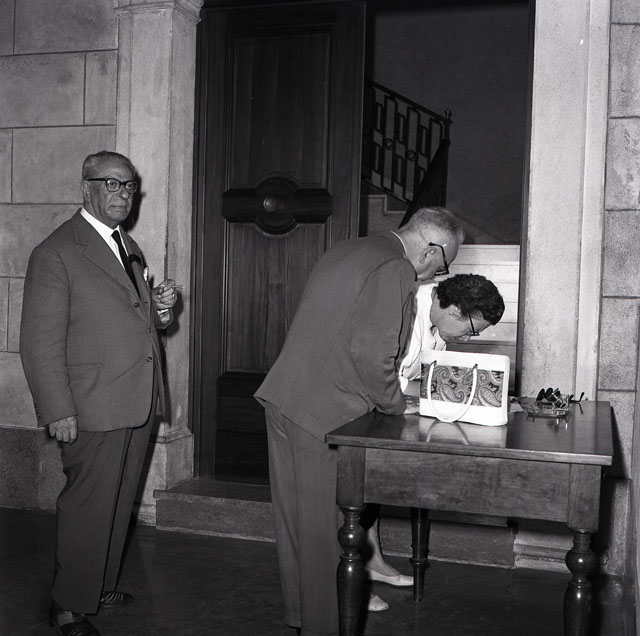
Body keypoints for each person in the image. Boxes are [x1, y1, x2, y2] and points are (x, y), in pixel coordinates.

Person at [254, 207, 465, 636]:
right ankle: (322, 627)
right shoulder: (395, 268)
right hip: (326, 412)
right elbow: (374, 355)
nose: (434, 275)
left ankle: (301, 615)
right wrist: (396, 405)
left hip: (286, 396)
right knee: (326, 533)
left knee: (296, 527)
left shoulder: (348, 249)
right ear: (431, 250)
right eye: (441, 267)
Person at [20, 151, 178, 636]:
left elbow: (135, 318)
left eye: (128, 186)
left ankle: (97, 585)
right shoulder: (57, 251)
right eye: (111, 184)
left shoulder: (126, 244)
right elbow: (39, 342)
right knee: (87, 506)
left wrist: (160, 309)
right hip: (91, 404)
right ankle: (68, 606)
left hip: (135, 397)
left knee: (118, 501)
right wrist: (58, 409)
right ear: (85, 188)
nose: (122, 194)